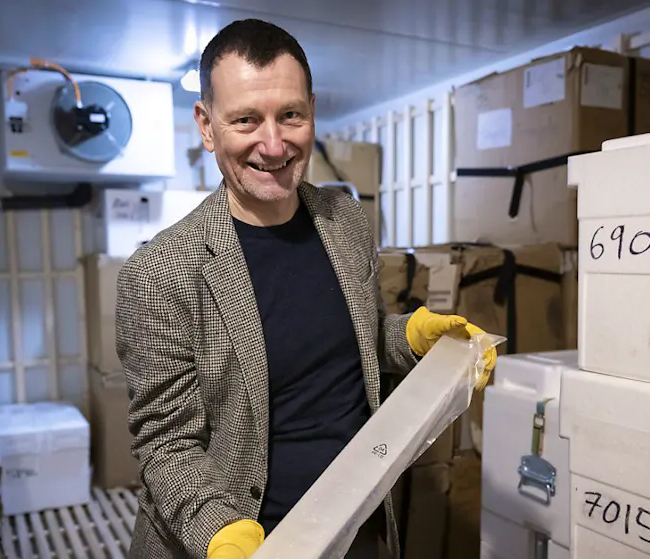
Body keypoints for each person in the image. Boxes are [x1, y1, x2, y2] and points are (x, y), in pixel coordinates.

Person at [115, 18, 497, 559]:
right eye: (246, 119)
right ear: (206, 125)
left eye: (290, 115)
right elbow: (165, 442)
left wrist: (409, 338)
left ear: (311, 110)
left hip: (357, 522)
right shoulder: (160, 272)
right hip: (243, 540)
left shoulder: (345, 219)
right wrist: (218, 533)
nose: (274, 144)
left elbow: (352, 340)